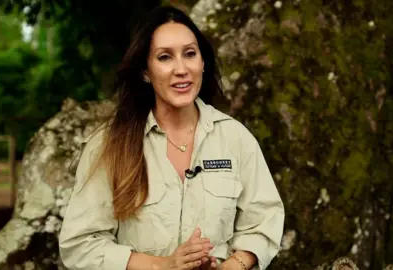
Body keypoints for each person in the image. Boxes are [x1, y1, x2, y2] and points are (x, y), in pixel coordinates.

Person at [58, 5, 285, 270]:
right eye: (165, 57)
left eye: (190, 54)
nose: (181, 69)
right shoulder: (110, 144)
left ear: (202, 63)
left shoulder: (236, 138)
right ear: (145, 71)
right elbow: (80, 244)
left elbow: (264, 221)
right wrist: (163, 265)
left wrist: (232, 266)